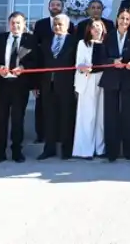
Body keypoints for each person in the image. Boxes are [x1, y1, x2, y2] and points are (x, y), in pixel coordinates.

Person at [0, 12, 38, 165]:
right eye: (13, 23)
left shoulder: (31, 40)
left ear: (24, 24)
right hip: (1, 85)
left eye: (18, 23)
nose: (15, 26)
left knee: (17, 120)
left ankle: (17, 151)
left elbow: (36, 60)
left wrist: (23, 67)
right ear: (8, 24)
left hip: (20, 86)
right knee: (0, 120)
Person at [94, 8, 130, 161]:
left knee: (128, 116)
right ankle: (111, 152)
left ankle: (129, 152)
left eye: (127, 19)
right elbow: (101, 58)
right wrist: (112, 62)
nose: (124, 21)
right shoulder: (108, 36)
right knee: (110, 116)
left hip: (128, 80)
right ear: (117, 19)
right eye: (122, 18)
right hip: (111, 79)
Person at [37, 14, 78, 160]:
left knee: (66, 117)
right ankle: (49, 148)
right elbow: (40, 64)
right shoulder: (46, 41)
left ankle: (66, 150)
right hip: (48, 85)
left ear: (67, 26)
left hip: (66, 85)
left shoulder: (74, 42)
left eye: (60, 24)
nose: (57, 27)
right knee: (49, 118)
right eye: (55, 24)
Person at [73, 19, 107, 159]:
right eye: (93, 27)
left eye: (98, 27)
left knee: (100, 116)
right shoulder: (82, 43)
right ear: (89, 30)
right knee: (87, 115)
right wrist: (82, 67)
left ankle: (100, 149)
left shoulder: (106, 43)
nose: (96, 29)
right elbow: (78, 62)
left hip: (103, 79)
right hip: (87, 80)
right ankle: (85, 150)